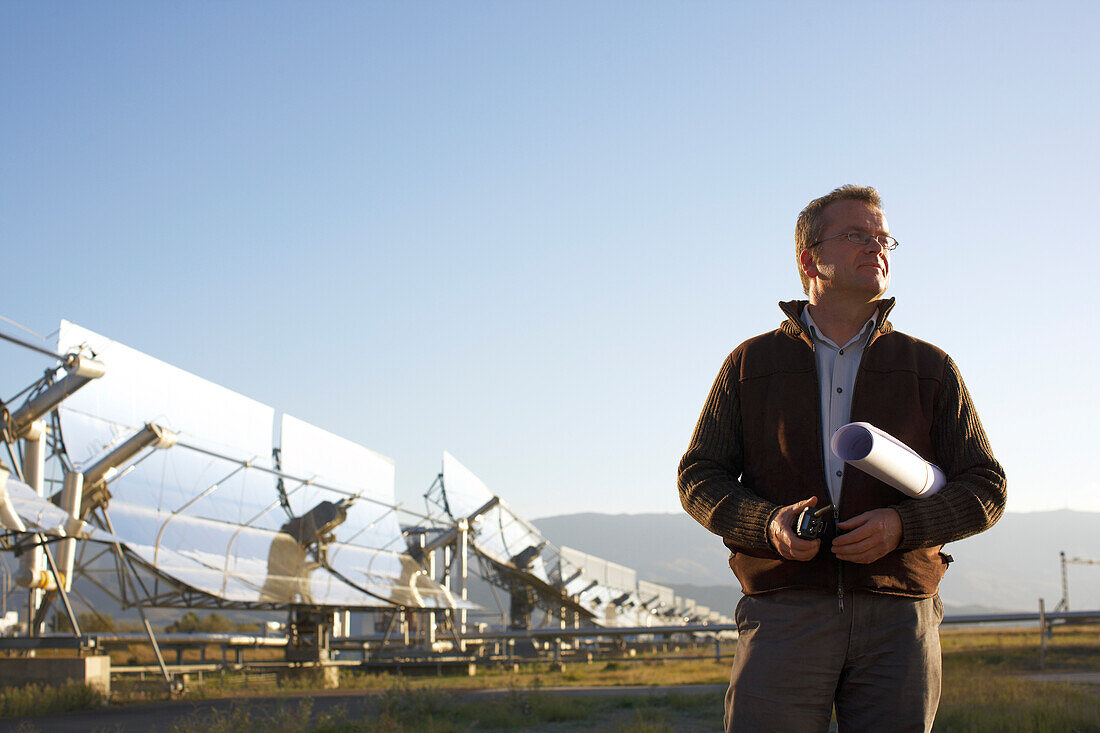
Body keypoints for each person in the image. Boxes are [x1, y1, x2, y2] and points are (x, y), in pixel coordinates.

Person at [677, 185, 1006, 732]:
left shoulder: (930, 367)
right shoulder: (750, 364)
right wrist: (769, 524)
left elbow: (986, 488)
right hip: (784, 610)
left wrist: (903, 525)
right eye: (856, 234)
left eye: (883, 238)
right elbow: (699, 477)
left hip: (899, 615)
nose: (876, 246)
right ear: (810, 259)